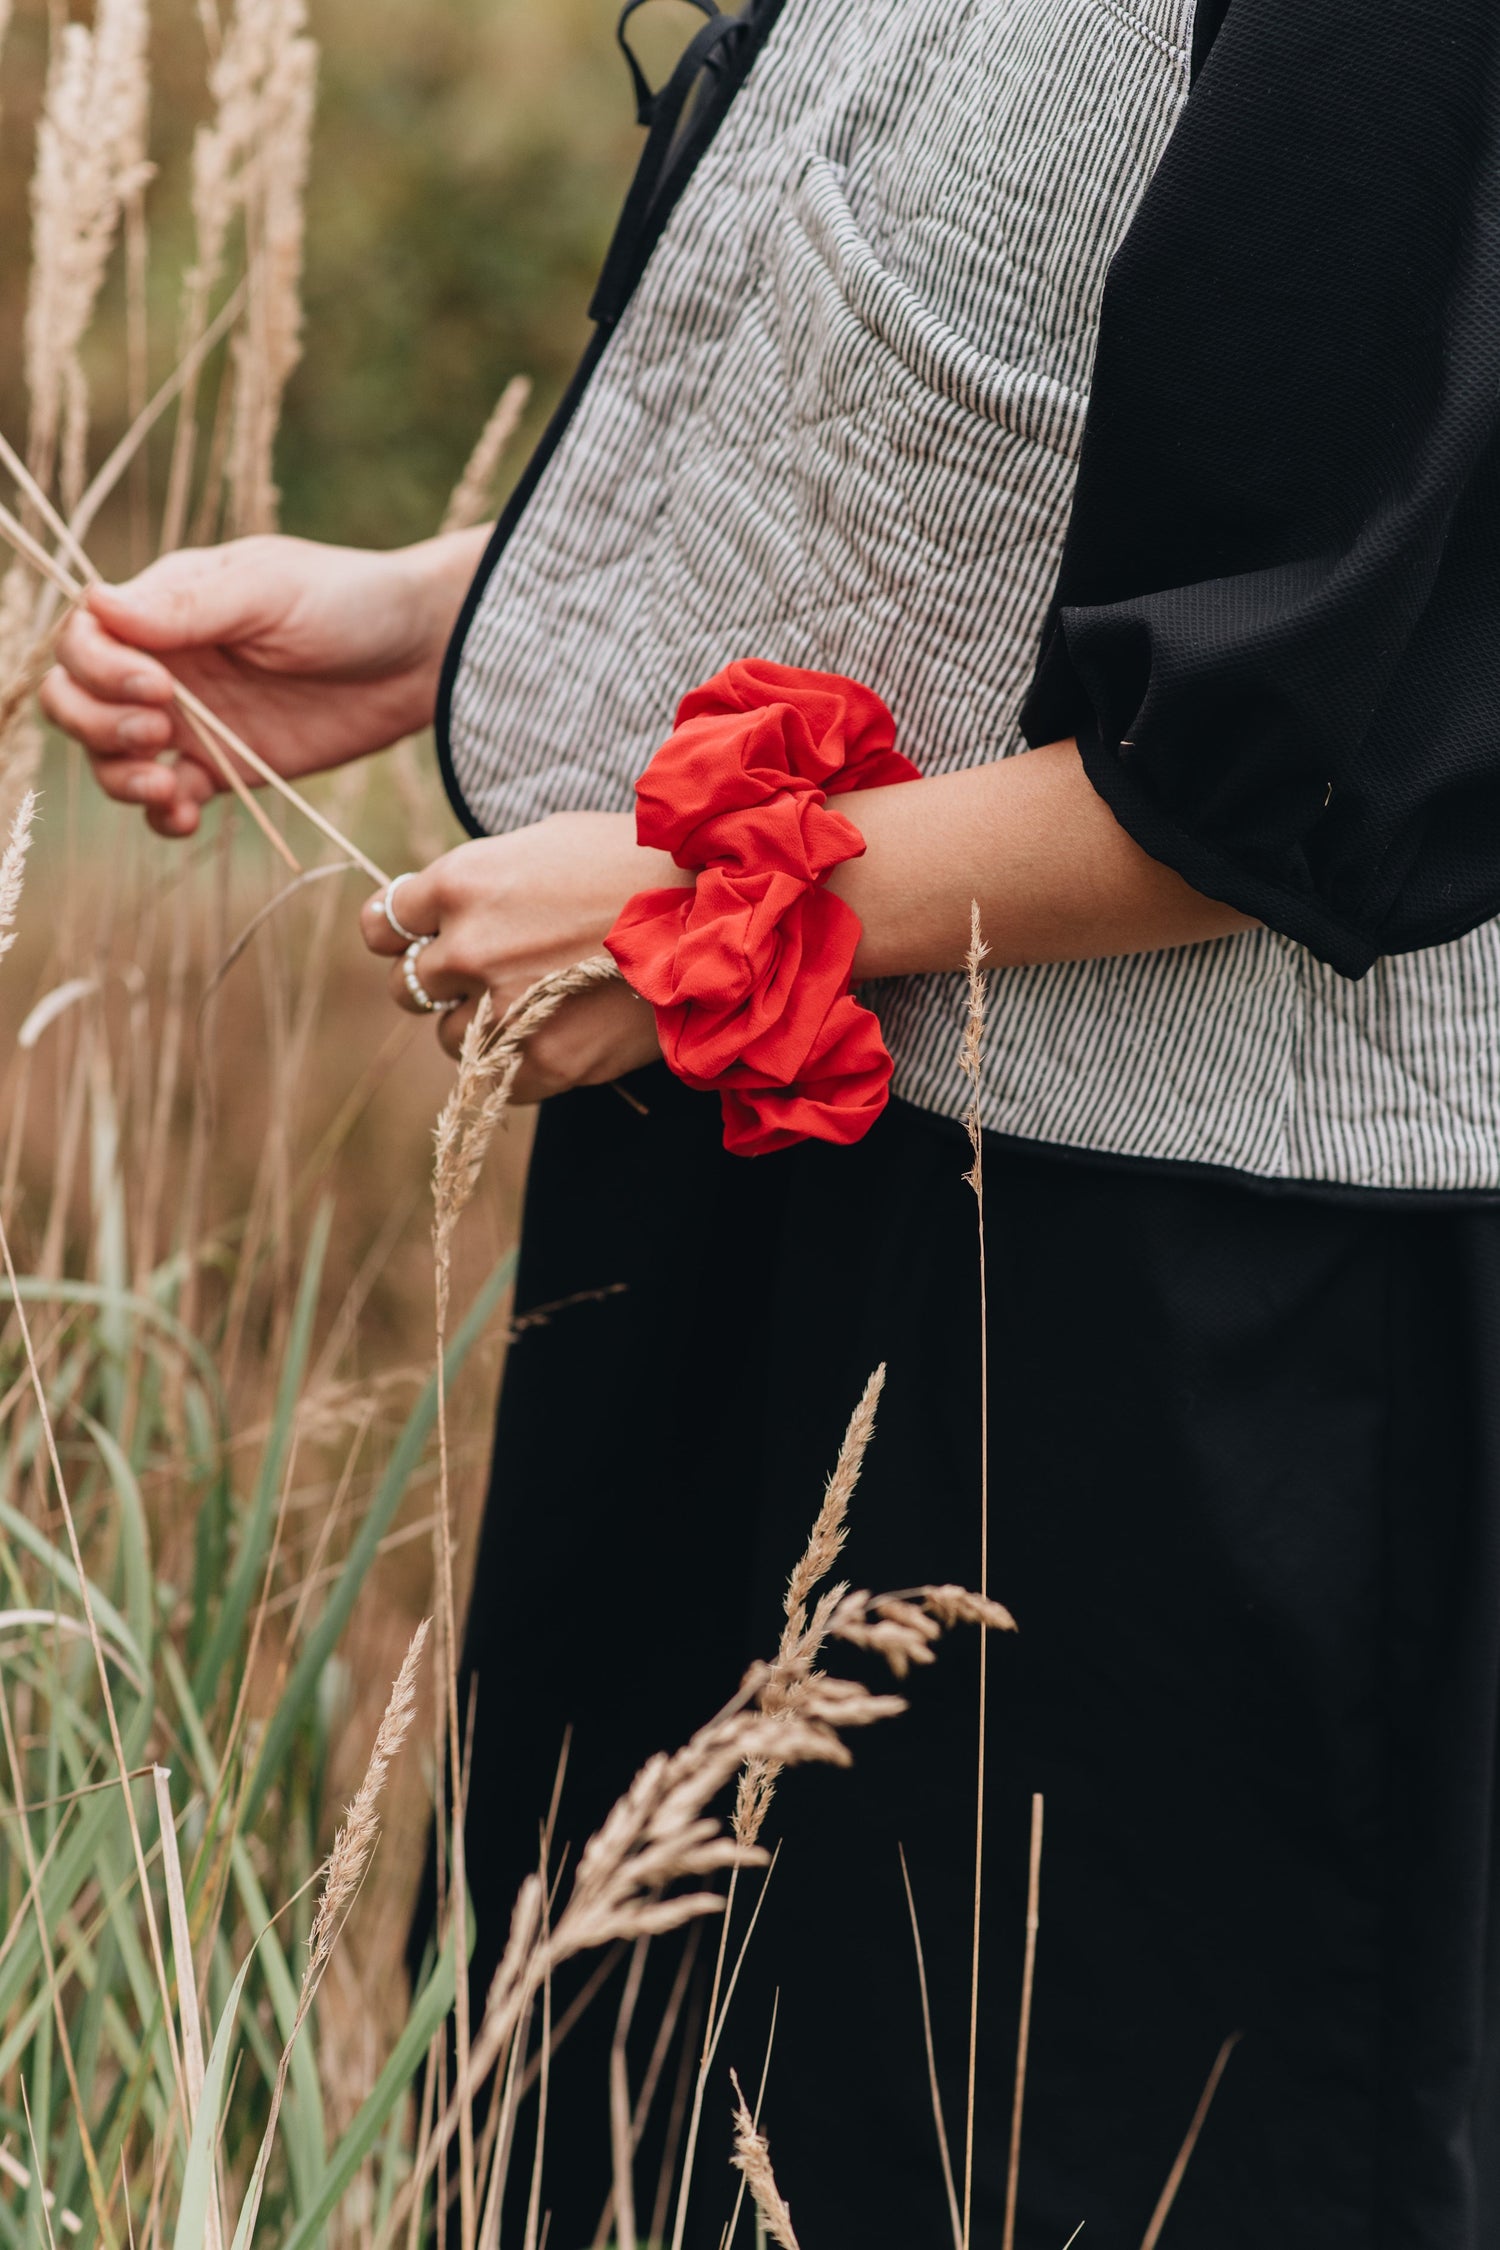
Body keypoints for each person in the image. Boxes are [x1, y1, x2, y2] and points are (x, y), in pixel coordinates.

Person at [43, 0, 1500, 2242]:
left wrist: (709, 911)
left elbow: (1305, 727)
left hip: (1157, 1332)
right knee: (614, 2144)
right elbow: (988, 393)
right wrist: (451, 623)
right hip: (766, 1161)